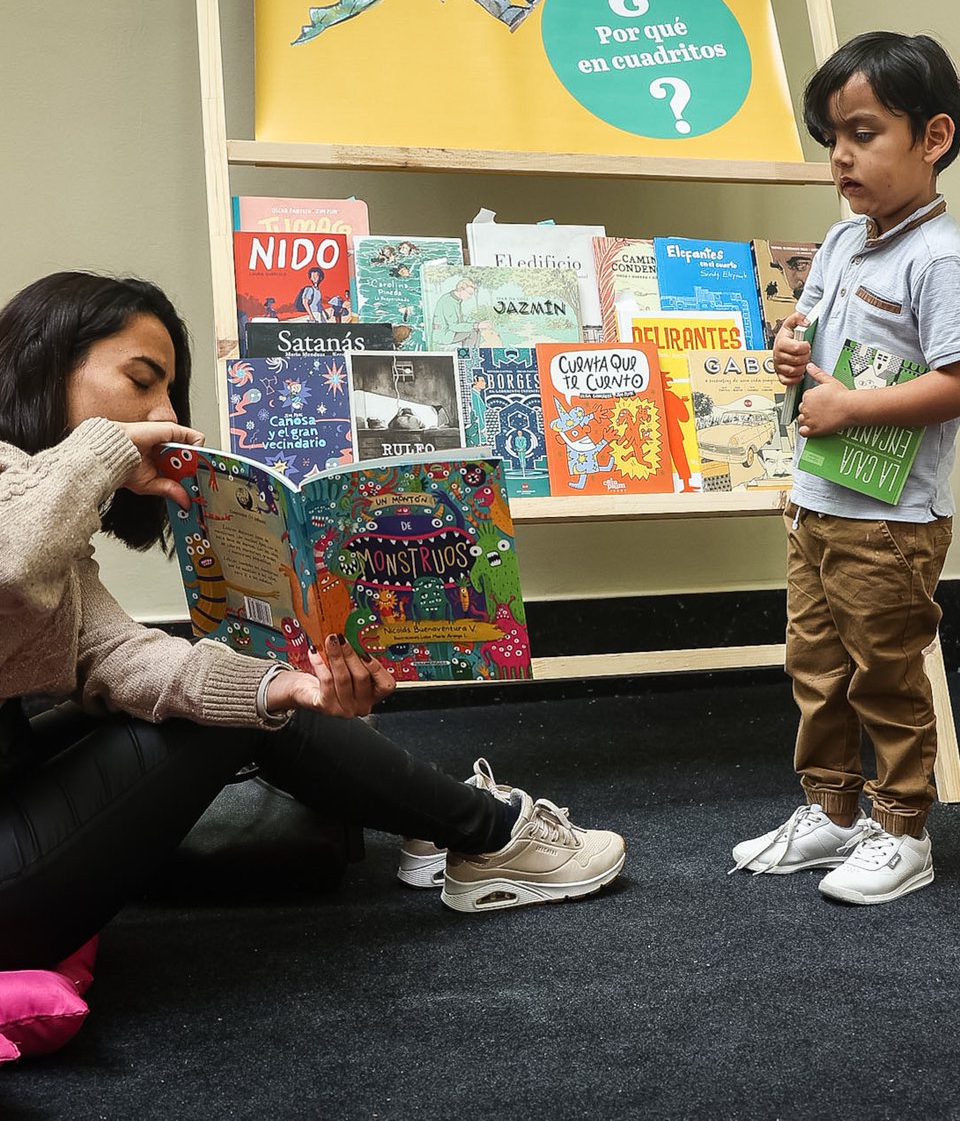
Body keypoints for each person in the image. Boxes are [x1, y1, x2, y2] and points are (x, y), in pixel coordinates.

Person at [0, 271, 626, 971]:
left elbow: (121, 660)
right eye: (142, 381)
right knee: (215, 713)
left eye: (168, 391)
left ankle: (440, 815)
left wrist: (288, 689)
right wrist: (101, 450)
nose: (163, 412)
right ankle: (490, 833)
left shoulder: (47, 520)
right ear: (43, 363)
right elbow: (8, 567)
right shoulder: (33, 502)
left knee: (226, 687)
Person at [731, 31, 960, 905]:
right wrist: (793, 352)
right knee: (815, 666)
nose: (840, 158)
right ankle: (831, 811)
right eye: (831, 138)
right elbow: (819, 330)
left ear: (933, 138)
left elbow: (954, 380)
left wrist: (853, 407)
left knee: (886, 671)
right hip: (818, 497)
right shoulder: (840, 241)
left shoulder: (938, 257)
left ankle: (903, 828)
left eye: (863, 134)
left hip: (892, 518)